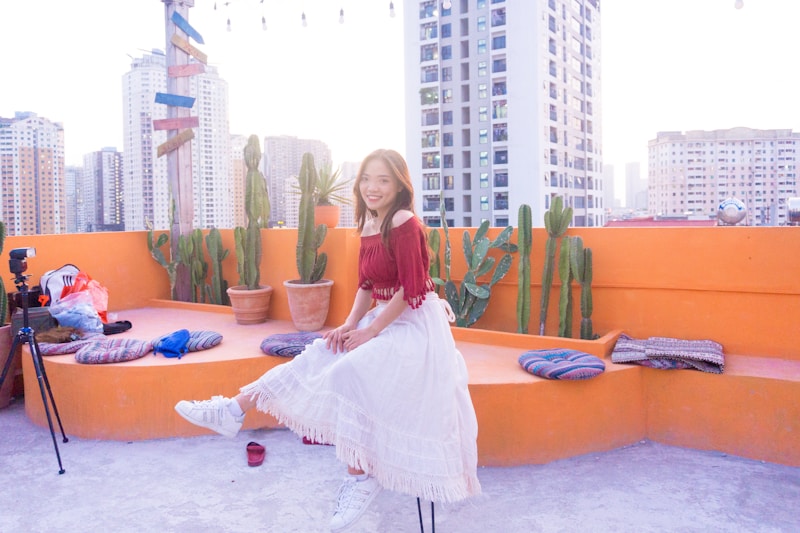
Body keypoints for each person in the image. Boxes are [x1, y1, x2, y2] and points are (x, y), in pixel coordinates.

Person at [175, 148, 481, 531]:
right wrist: (349, 325)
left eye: (383, 180)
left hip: (414, 325)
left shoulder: (403, 221)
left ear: (399, 185)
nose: (373, 187)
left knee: (349, 371)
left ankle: (360, 477)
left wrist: (369, 331)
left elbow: (411, 289)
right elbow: (367, 285)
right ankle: (232, 410)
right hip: (380, 319)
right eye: (367, 178)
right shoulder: (370, 223)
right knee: (317, 354)